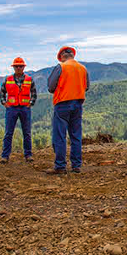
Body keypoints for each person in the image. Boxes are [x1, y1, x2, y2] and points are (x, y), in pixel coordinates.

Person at [47, 46, 89, 174]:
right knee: (75, 135)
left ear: (62, 56)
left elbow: (50, 87)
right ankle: (76, 166)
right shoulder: (83, 68)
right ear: (72, 55)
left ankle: (60, 166)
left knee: (60, 136)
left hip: (63, 103)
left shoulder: (61, 67)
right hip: (78, 103)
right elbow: (86, 86)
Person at [0, 57, 37, 164]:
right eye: (17, 66)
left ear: (24, 67)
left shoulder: (29, 80)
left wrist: (31, 103)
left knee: (27, 133)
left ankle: (28, 155)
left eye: (21, 66)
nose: (19, 68)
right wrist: (4, 102)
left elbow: (34, 93)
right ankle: (5, 156)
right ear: (14, 67)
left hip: (25, 108)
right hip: (11, 108)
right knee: (8, 133)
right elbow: (2, 92)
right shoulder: (8, 79)